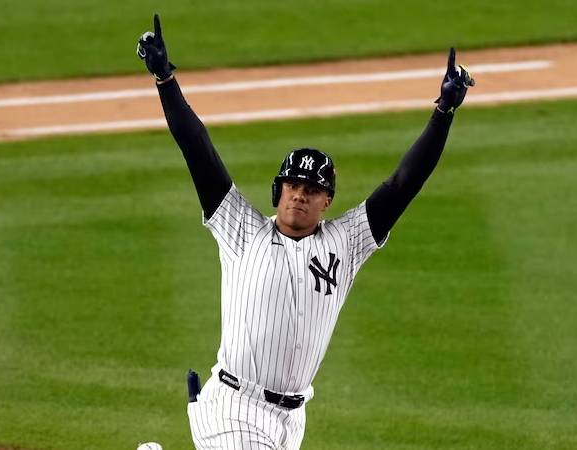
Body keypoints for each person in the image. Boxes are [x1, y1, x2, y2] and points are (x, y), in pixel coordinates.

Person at [137, 14, 474, 450]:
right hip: (235, 406)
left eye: (312, 189)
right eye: (293, 185)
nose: (300, 195)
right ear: (279, 191)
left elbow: (401, 185)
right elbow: (196, 147)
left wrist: (443, 112)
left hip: (291, 420)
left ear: (326, 200)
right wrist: (165, 79)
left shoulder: (346, 242)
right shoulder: (240, 228)